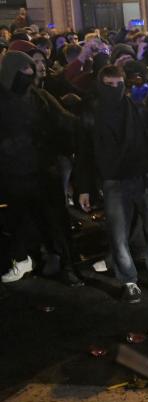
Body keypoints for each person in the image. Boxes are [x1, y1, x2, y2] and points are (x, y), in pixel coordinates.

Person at [76, 65, 148, 303]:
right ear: (100, 85)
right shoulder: (91, 115)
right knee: (118, 234)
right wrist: (84, 188)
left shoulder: (136, 110)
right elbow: (84, 153)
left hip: (144, 175)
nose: (114, 89)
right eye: (109, 85)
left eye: (119, 84)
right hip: (114, 180)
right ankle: (129, 281)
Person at [0, 51, 83, 286]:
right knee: (21, 220)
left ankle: (66, 264)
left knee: (55, 220)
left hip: (44, 170)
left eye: (30, 69)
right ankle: (26, 258)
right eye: (24, 70)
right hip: (13, 174)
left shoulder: (40, 97)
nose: (30, 73)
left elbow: (64, 121)